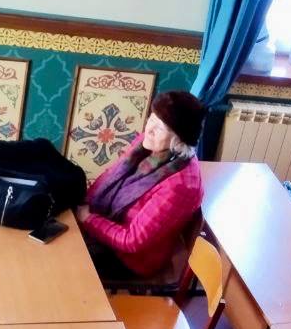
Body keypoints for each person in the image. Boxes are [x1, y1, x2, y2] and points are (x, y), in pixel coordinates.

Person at [76, 90, 205, 280]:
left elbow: (131, 241)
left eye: (160, 128)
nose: (149, 129)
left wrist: (88, 219)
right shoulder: (148, 144)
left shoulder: (180, 186)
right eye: (151, 119)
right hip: (106, 228)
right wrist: (86, 203)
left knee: (60, 264)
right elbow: (110, 175)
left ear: (179, 139)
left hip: (129, 261)